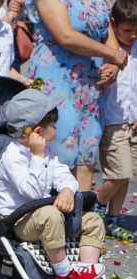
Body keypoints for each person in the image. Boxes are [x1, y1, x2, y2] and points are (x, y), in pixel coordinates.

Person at [0, 90, 110, 279]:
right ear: (37, 131)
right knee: (50, 214)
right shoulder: (13, 158)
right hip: (17, 221)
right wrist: (37, 156)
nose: (56, 129)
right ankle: (64, 273)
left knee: (92, 220)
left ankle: (87, 275)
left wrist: (66, 189)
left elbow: (63, 174)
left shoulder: (48, 152)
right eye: (53, 126)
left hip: (42, 218)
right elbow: (33, 193)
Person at [25, 0, 128, 193]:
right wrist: (112, 55)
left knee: (86, 158)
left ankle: (79, 218)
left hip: (90, 86)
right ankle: (54, 218)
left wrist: (113, 65)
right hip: (56, 80)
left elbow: (108, 33)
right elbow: (66, 36)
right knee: (60, 153)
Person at [95, 0, 137, 242]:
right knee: (118, 172)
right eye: (127, 30)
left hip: (131, 119)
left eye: (136, 31)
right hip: (112, 119)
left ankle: (113, 218)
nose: (132, 36)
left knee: (127, 174)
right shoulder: (106, 51)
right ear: (113, 24)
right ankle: (98, 207)